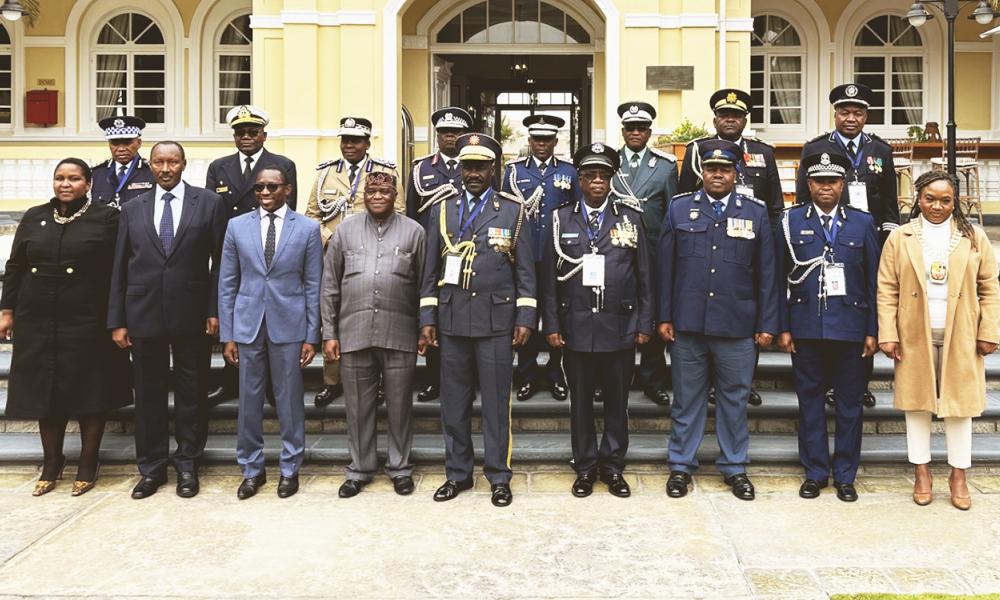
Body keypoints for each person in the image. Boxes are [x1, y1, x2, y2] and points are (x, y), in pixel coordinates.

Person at [0, 158, 131, 496]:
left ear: (88, 184)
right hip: (38, 318)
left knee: (90, 392)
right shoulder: (35, 216)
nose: (65, 184)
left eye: (74, 178)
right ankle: (52, 462)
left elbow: (120, 270)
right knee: (46, 391)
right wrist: (7, 311)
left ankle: (88, 462)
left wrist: (118, 317)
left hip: (87, 319)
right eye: (60, 178)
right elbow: (15, 266)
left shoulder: (107, 217)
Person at [657, 139, 778, 501]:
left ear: (735, 173)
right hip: (688, 324)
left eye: (725, 170)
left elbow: (767, 273)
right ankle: (681, 466)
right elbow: (665, 268)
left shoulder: (755, 212)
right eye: (711, 169)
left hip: (737, 325)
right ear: (702, 172)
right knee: (686, 401)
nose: (718, 175)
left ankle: (735, 467)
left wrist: (767, 323)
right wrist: (663, 316)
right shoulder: (680, 208)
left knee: (734, 401)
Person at [419, 133, 535, 508]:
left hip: (497, 321)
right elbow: (430, 270)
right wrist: (427, 316)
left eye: (480, 167)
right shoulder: (442, 210)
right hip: (452, 320)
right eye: (467, 166)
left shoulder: (513, 211)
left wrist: (526, 317)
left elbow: (526, 272)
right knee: (454, 404)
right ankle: (458, 474)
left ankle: (499, 477)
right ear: (460, 169)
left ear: (492, 169)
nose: (473, 173)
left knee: (497, 406)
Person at [108, 141, 228, 500]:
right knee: (149, 394)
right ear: (150, 164)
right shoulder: (133, 208)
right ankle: (152, 467)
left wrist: (214, 310)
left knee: (193, 391)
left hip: (193, 313)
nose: (165, 169)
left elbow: (221, 264)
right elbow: (119, 266)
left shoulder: (209, 203)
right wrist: (117, 320)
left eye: (172, 162)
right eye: (158, 162)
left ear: (184, 164)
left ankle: (188, 463)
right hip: (142, 312)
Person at [877, 171, 999, 510]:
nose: (937, 206)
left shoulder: (972, 235)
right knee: (917, 405)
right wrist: (888, 332)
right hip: (914, 333)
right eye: (930, 199)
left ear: (954, 202)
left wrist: (989, 331)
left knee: (960, 407)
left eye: (945, 200)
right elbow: (886, 288)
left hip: (962, 334)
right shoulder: (900, 237)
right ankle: (922, 472)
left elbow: (990, 286)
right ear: (918, 199)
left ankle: (959, 475)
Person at [540, 142, 652, 498]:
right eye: (590, 175)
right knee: (581, 404)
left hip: (619, 326)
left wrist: (645, 323)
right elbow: (548, 279)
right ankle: (585, 467)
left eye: (604, 175)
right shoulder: (561, 218)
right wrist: (551, 326)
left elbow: (644, 275)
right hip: (575, 327)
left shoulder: (629, 217)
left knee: (617, 402)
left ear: (611, 179)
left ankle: (614, 467)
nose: (598, 181)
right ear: (580, 179)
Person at [775, 152, 880, 503]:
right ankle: (816, 472)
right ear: (809, 184)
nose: (826, 187)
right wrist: (783, 327)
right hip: (805, 327)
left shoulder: (862, 222)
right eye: (819, 181)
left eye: (832, 181)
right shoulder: (790, 221)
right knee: (810, 403)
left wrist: (873, 330)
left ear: (842, 184)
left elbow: (874, 281)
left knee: (850, 405)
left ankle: (846, 475)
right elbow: (777, 278)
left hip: (851, 328)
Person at [218, 167, 322, 500]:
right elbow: (227, 283)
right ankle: (252, 469)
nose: (264, 192)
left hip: (289, 325)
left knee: (289, 400)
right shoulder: (236, 226)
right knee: (248, 402)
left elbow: (313, 284)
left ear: (287, 189)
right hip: (248, 325)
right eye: (259, 187)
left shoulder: (307, 228)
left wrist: (312, 335)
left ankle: (290, 467)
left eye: (272, 186)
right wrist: (228, 334)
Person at [679, 88, 785, 407]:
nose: (730, 120)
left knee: (745, 315)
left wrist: (769, 246)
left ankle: (744, 382)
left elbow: (775, 206)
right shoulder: (696, 150)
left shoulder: (762, 153)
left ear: (745, 120)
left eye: (736, 116)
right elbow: (683, 198)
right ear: (715, 119)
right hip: (705, 244)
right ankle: (710, 383)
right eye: (724, 115)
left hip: (749, 247)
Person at [323, 172, 426, 498]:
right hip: (353, 333)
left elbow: (424, 285)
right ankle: (359, 469)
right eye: (372, 191)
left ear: (395, 195)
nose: (378, 196)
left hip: (400, 333)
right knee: (357, 407)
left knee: (400, 406)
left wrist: (425, 327)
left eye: (384, 191)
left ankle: (400, 468)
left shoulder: (415, 232)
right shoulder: (345, 231)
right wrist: (329, 333)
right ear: (363, 195)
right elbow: (330, 286)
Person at [798, 83, 899, 409]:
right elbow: (803, 200)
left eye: (857, 112)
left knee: (862, 309)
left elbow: (890, 204)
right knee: (828, 310)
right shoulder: (816, 148)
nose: (851, 118)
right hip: (825, 241)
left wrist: (885, 244)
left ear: (866, 115)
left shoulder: (880, 150)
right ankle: (828, 383)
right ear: (835, 114)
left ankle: (859, 384)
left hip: (865, 245)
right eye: (845, 112)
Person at [206, 104, 299, 404]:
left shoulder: (282, 164)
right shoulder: (219, 167)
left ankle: (271, 385)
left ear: (263, 135)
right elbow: (212, 212)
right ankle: (231, 381)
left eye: (252, 132)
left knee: (268, 318)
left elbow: (288, 211)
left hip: (267, 250)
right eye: (240, 132)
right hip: (230, 248)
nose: (246, 137)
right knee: (236, 315)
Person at [306, 116, 400, 408]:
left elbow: (398, 212)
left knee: (376, 313)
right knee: (332, 314)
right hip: (335, 255)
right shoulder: (325, 173)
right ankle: (332, 381)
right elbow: (312, 215)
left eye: (356, 140)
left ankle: (379, 381)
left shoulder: (385, 171)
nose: (349, 145)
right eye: (345, 140)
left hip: (374, 255)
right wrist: (330, 238)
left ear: (367, 143)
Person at [502, 114, 578, 402]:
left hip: (558, 256)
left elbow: (576, 212)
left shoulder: (569, 172)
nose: (542, 144)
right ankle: (528, 374)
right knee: (526, 315)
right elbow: (505, 212)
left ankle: (557, 373)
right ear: (530, 140)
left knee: (557, 315)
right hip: (524, 257)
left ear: (555, 141)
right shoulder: (513, 172)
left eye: (547, 139)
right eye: (537, 139)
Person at [405, 107, 471, 403]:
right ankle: (434, 379)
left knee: (465, 315)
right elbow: (410, 214)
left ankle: (467, 379)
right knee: (432, 314)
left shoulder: (476, 165)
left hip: (468, 255)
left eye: (456, 132)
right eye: (445, 132)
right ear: (437, 135)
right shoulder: (421, 169)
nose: (450, 137)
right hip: (431, 254)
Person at [613, 101, 677, 406]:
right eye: (630, 128)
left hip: (652, 252)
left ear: (650, 132)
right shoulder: (609, 162)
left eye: (641, 128)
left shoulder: (665, 166)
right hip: (616, 252)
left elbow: (672, 214)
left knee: (652, 314)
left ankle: (653, 379)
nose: (635, 132)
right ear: (623, 131)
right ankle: (614, 379)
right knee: (617, 313)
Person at [90, 114, 155, 208]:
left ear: (139, 143)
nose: (121, 149)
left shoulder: (152, 171)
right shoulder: (96, 173)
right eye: (115, 143)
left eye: (127, 143)